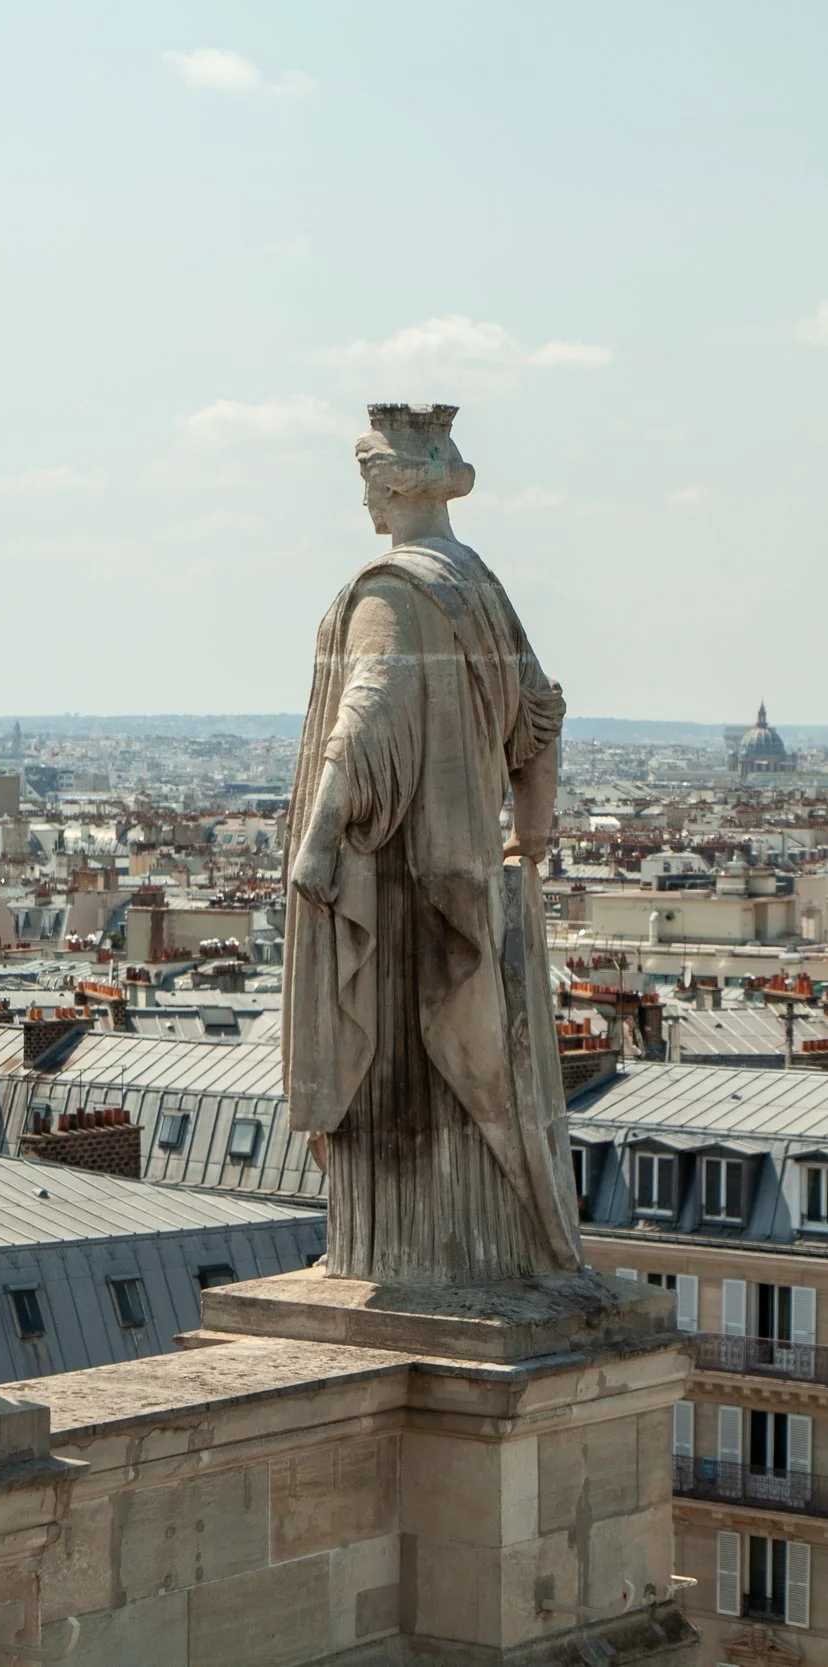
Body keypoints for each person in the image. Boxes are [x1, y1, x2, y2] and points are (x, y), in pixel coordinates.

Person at [285, 403, 581, 1284]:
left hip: (403, 887)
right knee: (478, 1068)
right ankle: (492, 1248)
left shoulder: (390, 590)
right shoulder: (479, 585)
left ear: (394, 482)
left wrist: (321, 832)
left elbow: (367, 715)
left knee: (402, 1073)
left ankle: (404, 1256)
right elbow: (541, 718)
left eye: (368, 476)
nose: (365, 498)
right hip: (472, 877)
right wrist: (530, 834)